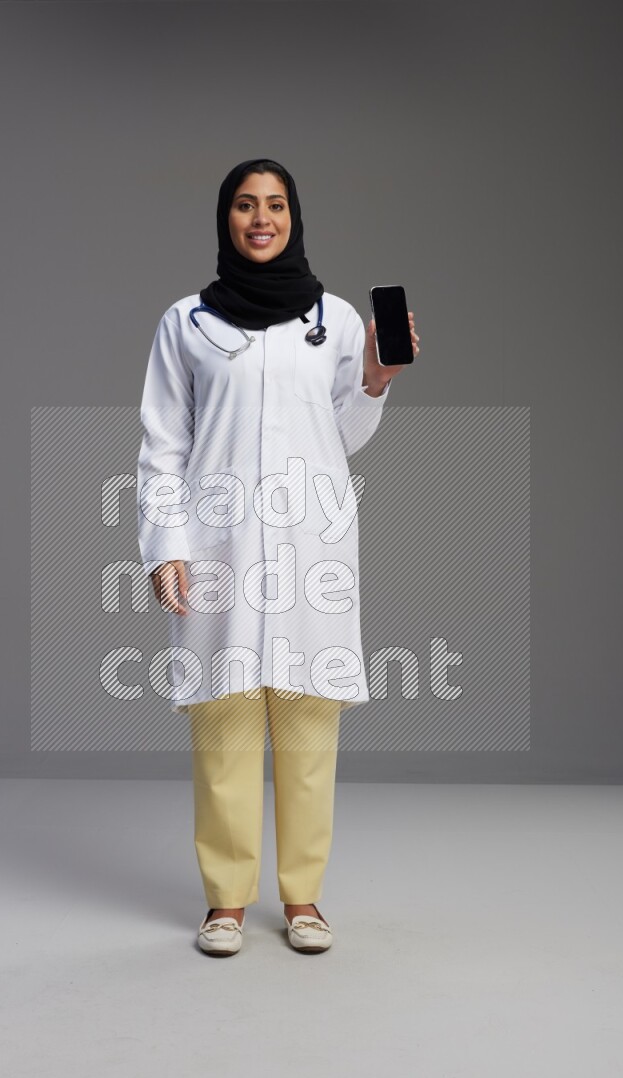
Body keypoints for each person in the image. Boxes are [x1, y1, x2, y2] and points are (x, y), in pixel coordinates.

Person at [136, 158, 420, 956]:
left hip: (309, 544)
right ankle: (226, 901)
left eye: (275, 204)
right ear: (225, 218)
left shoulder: (334, 319)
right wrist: (165, 544)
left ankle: (303, 898)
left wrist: (375, 378)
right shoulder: (188, 323)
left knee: (306, 725)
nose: (261, 218)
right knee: (223, 721)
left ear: (295, 217)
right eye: (245, 205)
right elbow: (162, 443)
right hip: (218, 543)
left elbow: (344, 436)